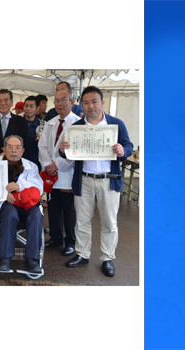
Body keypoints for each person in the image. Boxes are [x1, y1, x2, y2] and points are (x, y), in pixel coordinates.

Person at [59, 86, 133, 277]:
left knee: (109, 222)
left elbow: (128, 146)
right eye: (86, 102)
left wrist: (122, 151)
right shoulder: (76, 128)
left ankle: (107, 257)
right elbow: (67, 155)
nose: (90, 106)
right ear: (81, 105)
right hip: (84, 180)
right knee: (82, 221)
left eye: (94, 101)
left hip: (110, 180)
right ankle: (82, 253)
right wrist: (63, 149)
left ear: (102, 103)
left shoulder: (116, 124)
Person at [0, 135, 44, 273]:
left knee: (37, 215)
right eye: (10, 147)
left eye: (17, 147)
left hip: (26, 204)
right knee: (10, 213)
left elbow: (39, 187)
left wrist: (20, 186)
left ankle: (32, 260)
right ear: (4, 149)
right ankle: (5, 259)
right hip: (4, 205)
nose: (14, 150)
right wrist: (2, 193)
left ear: (23, 150)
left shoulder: (31, 166)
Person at [38, 90, 81, 256]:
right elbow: (42, 146)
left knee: (69, 210)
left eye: (63, 100)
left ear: (72, 102)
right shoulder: (50, 123)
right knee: (53, 207)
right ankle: (56, 237)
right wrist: (48, 165)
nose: (59, 104)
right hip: (51, 175)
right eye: (56, 101)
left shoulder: (78, 123)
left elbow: (76, 151)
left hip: (67, 174)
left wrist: (58, 164)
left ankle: (71, 241)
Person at [21, 96, 41, 171]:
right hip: (19, 162)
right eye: (26, 106)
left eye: (31, 106)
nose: (28, 109)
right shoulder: (17, 124)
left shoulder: (41, 126)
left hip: (35, 162)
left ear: (37, 108)